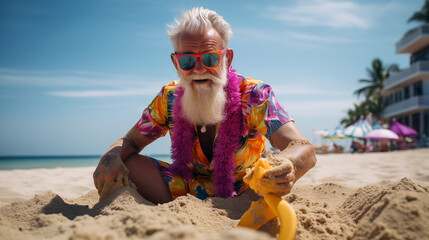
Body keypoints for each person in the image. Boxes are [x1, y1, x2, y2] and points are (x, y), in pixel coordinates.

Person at [93, 7, 317, 204]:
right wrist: (109, 157)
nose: (199, 69)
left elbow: (302, 146)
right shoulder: (168, 98)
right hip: (184, 191)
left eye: (210, 59)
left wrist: (286, 165)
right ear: (175, 62)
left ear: (226, 59)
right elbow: (131, 141)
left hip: (248, 190)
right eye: (188, 61)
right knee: (128, 163)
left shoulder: (254, 95)